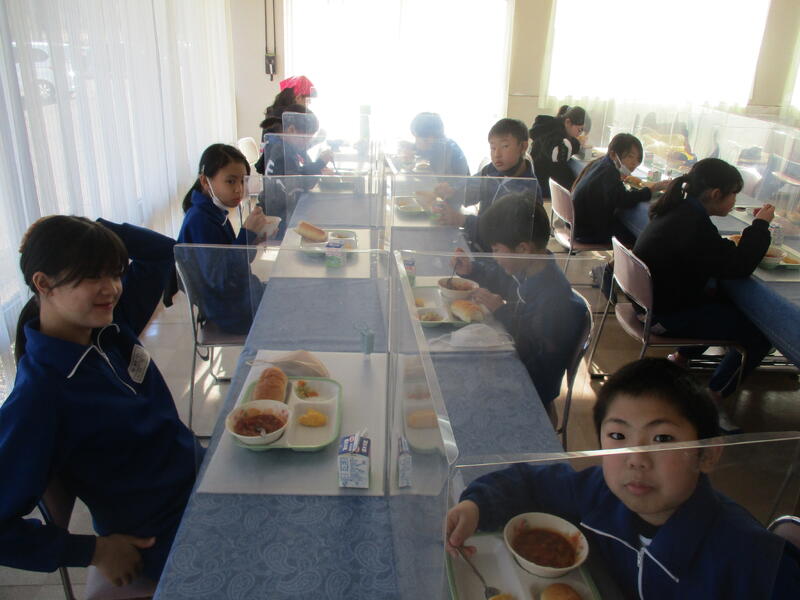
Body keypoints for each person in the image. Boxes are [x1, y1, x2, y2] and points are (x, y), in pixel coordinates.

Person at [446, 358, 800, 598]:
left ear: (707, 454)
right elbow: (529, 483)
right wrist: (476, 506)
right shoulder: (598, 492)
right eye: (618, 436)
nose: (636, 459)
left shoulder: (753, 560)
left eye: (662, 439)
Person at [0, 216, 203, 586]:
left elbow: (163, 252)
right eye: (92, 276)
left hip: (196, 477)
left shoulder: (110, 327)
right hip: (166, 528)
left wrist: (96, 229)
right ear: (43, 284)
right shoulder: (42, 394)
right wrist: (92, 551)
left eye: (115, 273)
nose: (111, 288)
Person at [633, 158, 775, 430]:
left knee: (721, 298)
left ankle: (682, 358)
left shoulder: (678, 210)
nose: (735, 201)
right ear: (716, 194)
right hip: (664, 316)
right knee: (761, 331)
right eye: (733, 194)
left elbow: (714, 254)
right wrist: (760, 225)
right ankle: (714, 397)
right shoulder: (692, 224)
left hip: (651, 305)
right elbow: (739, 266)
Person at [451, 193, 587, 411]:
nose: (494, 257)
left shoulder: (554, 301)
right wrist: (472, 269)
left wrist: (502, 311)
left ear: (523, 249)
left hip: (528, 389)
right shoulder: (528, 268)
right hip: (513, 365)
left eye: (496, 250)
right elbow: (501, 278)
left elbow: (533, 357)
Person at [178, 143, 268, 334]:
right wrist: (246, 234)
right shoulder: (200, 221)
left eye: (242, 181)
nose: (239, 189)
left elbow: (234, 263)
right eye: (230, 181)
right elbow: (221, 280)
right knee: (295, 304)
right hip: (231, 312)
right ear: (205, 181)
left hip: (239, 298)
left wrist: (253, 241)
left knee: (290, 290)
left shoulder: (213, 213)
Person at [436, 118, 541, 252]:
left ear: (523, 147)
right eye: (493, 148)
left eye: (505, 146)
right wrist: (452, 191)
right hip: (478, 242)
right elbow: (471, 188)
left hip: (500, 255)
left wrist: (462, 220)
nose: (497, 154)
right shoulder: (491, 170)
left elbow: (503, 232)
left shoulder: (526, 190)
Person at [571, 133, 670, 245]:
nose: (634, 163)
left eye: (638, 159)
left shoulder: (601, 163)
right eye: (630, 156)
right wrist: (651, 190)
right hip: (586, 231)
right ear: (613, 154)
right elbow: (623, 200)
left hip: (577, 223)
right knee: (636, 237)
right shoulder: (609, 172)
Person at [529, 105, 589, 198]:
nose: (579, 134)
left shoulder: (550, 128)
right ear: (568, 122)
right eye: (579, 130)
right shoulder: (553, 133)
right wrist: (577, 143)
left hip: (543, 180)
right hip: (544, 184)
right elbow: (557, 154)